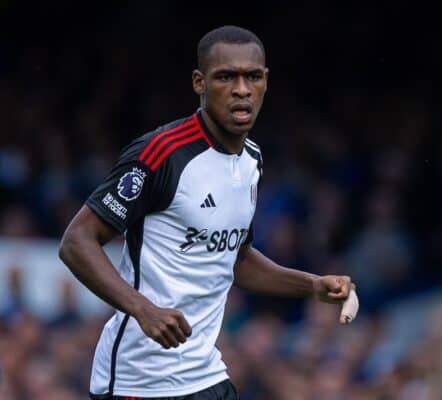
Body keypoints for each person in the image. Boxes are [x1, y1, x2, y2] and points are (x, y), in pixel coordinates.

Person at [59, 25, 356, 400]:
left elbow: (235, 259)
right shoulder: (161, 154)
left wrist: (311, 285)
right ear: (199, 83)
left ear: (265, 81)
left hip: (204, 374)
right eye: (226, 77)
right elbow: (76, 241)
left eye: (252, 77)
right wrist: (144, 310)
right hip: (139, 381)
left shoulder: (252, 161)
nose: (242, 90)